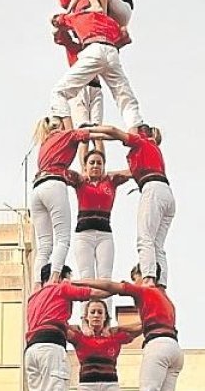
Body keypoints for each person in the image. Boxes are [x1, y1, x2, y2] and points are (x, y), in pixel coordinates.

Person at [88, 124, 173, 287]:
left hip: (152, 189)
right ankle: (161, 283)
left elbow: (113, 132)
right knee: (157, 244)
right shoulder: (150, 150)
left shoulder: (141, 141)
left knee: (145, 239)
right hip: (165, 192)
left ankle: (148, 278)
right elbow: (126, 173)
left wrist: (91, 131)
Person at [75, 266, 182, 391]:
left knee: (148, 388)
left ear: (145, 275)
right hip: (175, 349)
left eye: (135, 279)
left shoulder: (144, 290)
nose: (135, 283)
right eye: (93, 312)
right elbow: (145, 325)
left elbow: (110, 286)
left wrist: (78, 282)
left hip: (158, 345)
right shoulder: (164, 297)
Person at [49, 6, 144, 131]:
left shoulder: (78, 16)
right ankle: (136, 127)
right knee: (124, 95)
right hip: (111, 51)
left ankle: (68, 131)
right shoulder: (110, 21)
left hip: (93, 49)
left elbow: (56, 21)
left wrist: (61, 17)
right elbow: (125, 38)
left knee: (58, 91)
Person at [25, 264, 111, 391]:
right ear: (60, 277)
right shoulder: (60, 288)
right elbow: (96, 293)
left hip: (31, 351)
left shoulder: (33, 298)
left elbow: (46, 321)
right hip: (50, 349)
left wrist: (67, 327)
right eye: (68, 278)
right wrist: (121, 289)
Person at [30, 118, 91, 287]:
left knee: (44, 246)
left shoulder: (45, 143)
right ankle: (53, 279)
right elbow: (88, 134)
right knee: (62, 239)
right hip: (54, 185)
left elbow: (60, 168)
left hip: (37, 188)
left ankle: (36, 285)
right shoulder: (65, 135)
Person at [70, 150, 131, 280]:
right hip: (83, 235)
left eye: (99, 163)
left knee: (105, 277)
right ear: (85, 166)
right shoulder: (80, 182)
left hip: (105, 235)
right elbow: (63, 174)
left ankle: (104, 301)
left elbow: (132, 172)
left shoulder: (111, 181)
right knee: (86, 277)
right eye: (92, 163)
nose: (96, 166)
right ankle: (87, 301)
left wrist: (114, 173)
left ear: (103, 166)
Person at [55, 0, 104, 135]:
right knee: (83, 129)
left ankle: (98, 158)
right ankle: (84, 158)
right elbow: (59, 33)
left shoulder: (93, 45)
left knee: (97, 129)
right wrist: (69, 16)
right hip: (81, 87)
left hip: (96, 86)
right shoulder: (73, 45)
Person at [66, 299, 140, 391]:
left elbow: (142, 327)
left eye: (100, 312)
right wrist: (80, 325)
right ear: (86, 316)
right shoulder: (80, 337)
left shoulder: (114, 337)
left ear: (105, 317)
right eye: (92, 312)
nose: (96, 315)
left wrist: (119, 327)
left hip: (111, 385)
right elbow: (58, 325)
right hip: (86, 385)